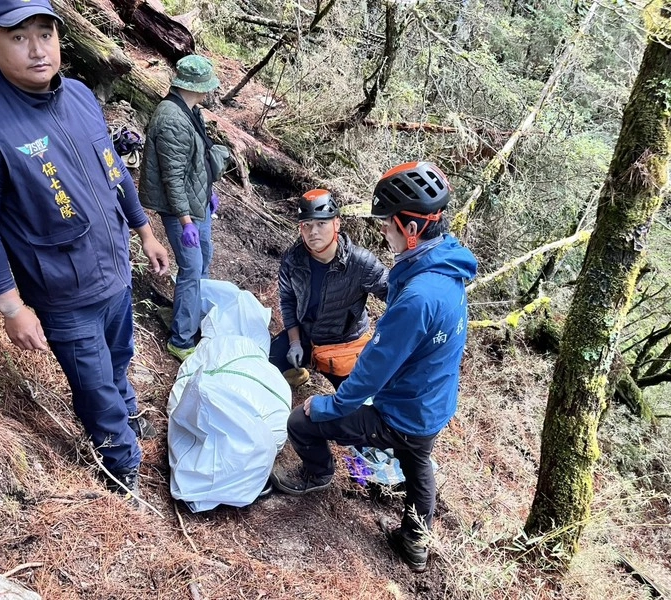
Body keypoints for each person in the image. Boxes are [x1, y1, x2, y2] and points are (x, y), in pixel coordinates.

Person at [0, 0, 170, 500]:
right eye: (18, 37)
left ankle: (126, 413)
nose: (37, 49)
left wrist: (145, 230)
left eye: (44, 33)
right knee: (92, 385)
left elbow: (113, 169)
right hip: (62, 293)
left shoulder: (82, 97)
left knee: (119, 358)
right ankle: (120, 464)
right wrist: (11, 308)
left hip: (114, 271)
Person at [270, 162, 478, 573]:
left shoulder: (417, 295)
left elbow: (372, 371)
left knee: (301, 421)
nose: (384, 230)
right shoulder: (445, 270)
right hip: (431, 404)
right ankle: (415, 541)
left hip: (399, 409)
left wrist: (327, 407)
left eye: (388, 223)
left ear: (411, 227)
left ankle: (318, 474)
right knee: (418, 465)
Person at [139, 55, 222, 362]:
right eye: (206, 87)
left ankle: (189, 316)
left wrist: (208, 193)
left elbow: (194, 162)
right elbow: (172, 177)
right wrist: (186, 221)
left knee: (203, 262)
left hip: (195, 202)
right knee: (191, 270)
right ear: (195, 87)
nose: (208, 92)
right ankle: (181, 339)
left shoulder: (190, 112)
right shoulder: (172, 119)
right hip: (181, 209)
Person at [270, 189, 388, 389]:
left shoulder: (360, 262)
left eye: (321, 223)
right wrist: (294, 342)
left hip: (344, 345)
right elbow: (288, 300)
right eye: (306, 225)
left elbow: (398, 297)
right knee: (268, 363)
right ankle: (299, 372)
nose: (313, 231)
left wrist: (386, 342)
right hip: (306, 335)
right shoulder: (293, 260)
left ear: (337, 224)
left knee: (356, 402)